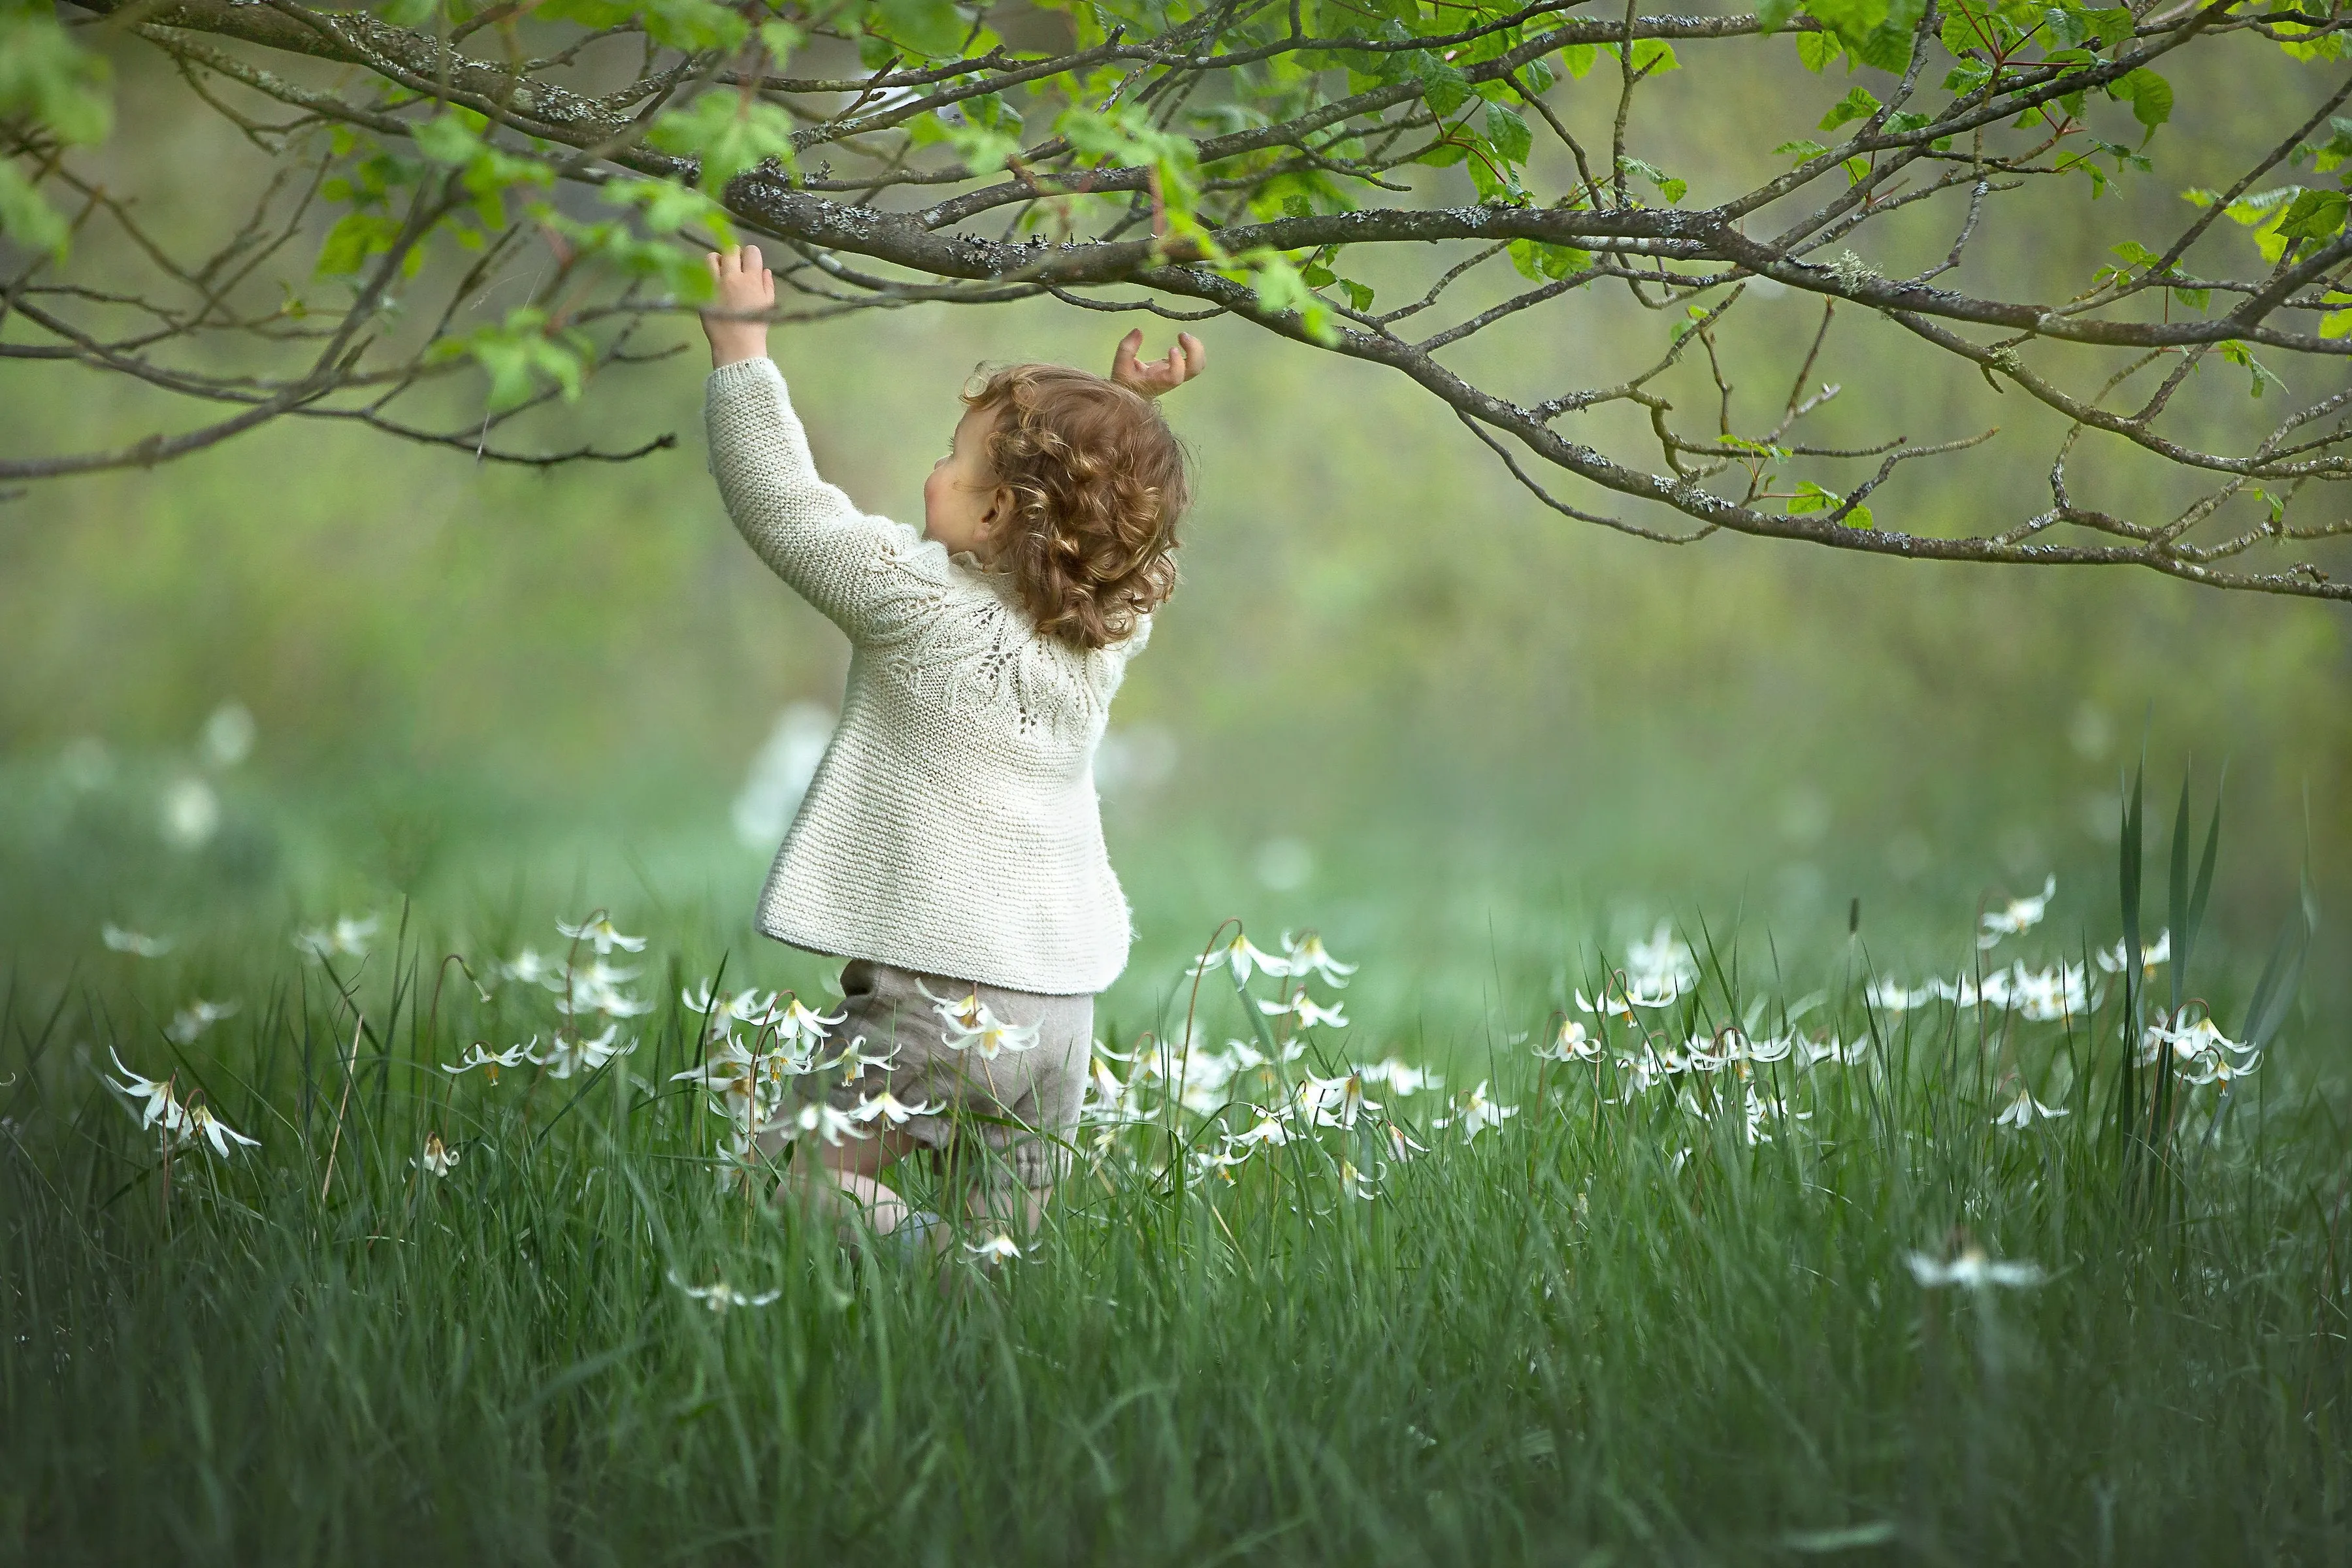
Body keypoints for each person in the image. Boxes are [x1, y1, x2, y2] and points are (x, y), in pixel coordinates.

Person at [698, 243, 1204, 1255]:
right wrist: (1127, 415)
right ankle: (975, 1340)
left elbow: (787, 510)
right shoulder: (1098, 637)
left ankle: (931, 1264)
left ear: (992, 511)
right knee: (997, 1254)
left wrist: (740, 348)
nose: (934, 469)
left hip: (944, 1001)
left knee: (782, 1182)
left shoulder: (915, 602)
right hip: (1062, 1011)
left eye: (952, 456)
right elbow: (1091, 525)